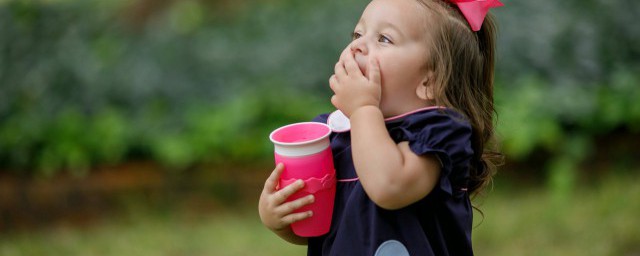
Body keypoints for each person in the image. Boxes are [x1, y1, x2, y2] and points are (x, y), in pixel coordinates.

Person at [259, 0, 503, 254]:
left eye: (384, 39)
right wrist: (280, 220)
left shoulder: (439, 133)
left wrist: (364, 108)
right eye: (357, 34)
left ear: (431, 80)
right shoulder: (335, 134)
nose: (357, 46)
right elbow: (322, 227)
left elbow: (389, 186)